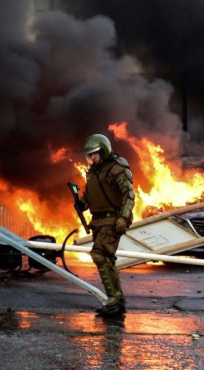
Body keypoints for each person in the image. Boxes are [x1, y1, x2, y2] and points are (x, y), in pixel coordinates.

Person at [80, 133, 134, 317]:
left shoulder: (116, 168)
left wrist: (123, 218)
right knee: (107, 258)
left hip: (113, 219)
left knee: (100, 255)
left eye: (94, 154)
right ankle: (118, 301)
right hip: (98, 221)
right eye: (89, 155)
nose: (91, 158)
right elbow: (90, 195)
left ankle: (113, 301)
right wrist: (82, 203)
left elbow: (129, 195)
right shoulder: (94, 171)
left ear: (103, 150)